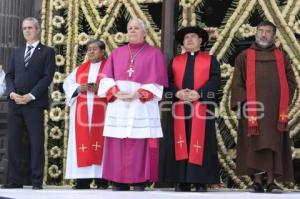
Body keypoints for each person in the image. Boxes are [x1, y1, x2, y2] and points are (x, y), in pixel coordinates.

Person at [98, 18, 168, 191]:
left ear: (145, 32)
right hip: (119, 104)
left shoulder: (155, 53)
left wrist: (138, 93)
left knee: (139, 142)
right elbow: (105, 78)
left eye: (136, 28)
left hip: (141, 105)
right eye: (130, 28)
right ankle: (118, 180)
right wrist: (115, 91)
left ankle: (139, 180)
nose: (132, 31)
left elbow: (158, 83)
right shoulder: (117, 52)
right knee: (117, 141)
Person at [231, 21, 296, 193]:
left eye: (268, 31)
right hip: (252, 109)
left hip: (275, 110)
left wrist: (282, 100)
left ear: (274, 35)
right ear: (255, 33)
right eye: (260, 31)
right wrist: (243, 103)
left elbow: (291, 81)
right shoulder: (244, 57)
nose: (264, 34)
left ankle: (272, 181)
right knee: (254, 144)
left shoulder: (281, 57)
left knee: (273, 144)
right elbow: (237, 83)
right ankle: (257, 181)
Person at [160, 26, 220, 192]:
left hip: (201, 107)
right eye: (186, 38)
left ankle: (201, 180)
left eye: (193, 37)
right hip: (180, 107)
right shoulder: (176, 61)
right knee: (180, 140)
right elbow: (167, 81)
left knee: (203, 142)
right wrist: (177, 92)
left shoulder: (210, 60)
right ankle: (181, 180)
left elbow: (215, 80)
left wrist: (199, 93)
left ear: (200, 41)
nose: (189, 40)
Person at [2, 17, 55, 189]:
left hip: (34, 104)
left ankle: (36, 181)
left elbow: (47, 77)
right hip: (15, 103)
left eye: (30, 28)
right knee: (13, 142)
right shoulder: (17, 52)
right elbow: (9, 75)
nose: (27, 31)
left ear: (38, 30)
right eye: (24, 28)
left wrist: (31, 95)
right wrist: (11, 93)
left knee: (36, 142)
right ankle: (14, 180)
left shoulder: (47, 52)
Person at [63, 39, 108, 189]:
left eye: (95, 49)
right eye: (89, 49)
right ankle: (83, 180)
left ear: (102, 51)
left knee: (102, 142)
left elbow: (115, 85)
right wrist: (79, 88)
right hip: (81, 114)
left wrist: (99, 89)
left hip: (103, 112)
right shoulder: (80, 69)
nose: (91, 51)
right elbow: (67, 84)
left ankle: (102, 179)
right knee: (81, 144)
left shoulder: (109, 67)